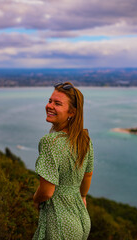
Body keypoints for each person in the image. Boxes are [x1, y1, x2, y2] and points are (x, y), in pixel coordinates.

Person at [33, 82, 94, 240]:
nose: (49, 106)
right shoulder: (84, 139)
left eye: (57, 103)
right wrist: (82, 197)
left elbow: (47, 192)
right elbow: (88, 175)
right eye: (50, 101)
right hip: (81, 218)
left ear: (72, 112)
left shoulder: (50, 142)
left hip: (59, 223)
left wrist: (35, 199)